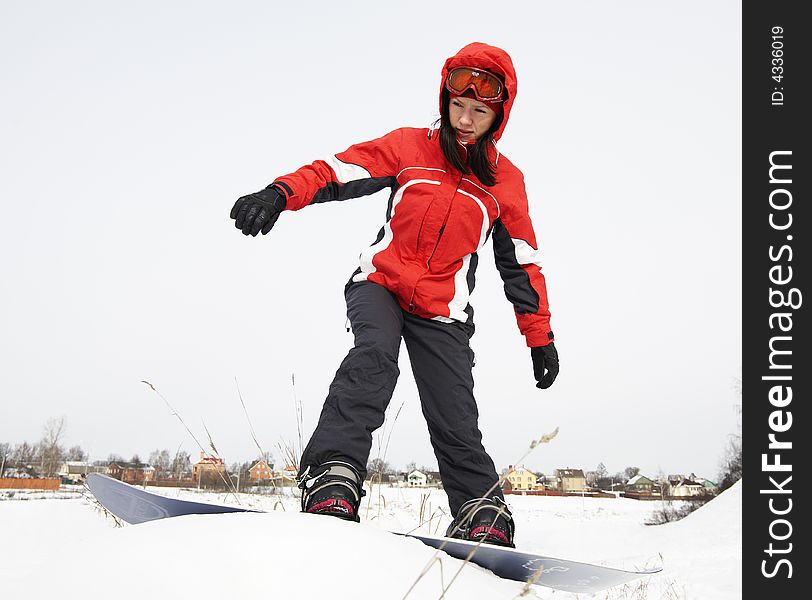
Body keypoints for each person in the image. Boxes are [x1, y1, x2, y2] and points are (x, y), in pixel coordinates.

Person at [230, 42, 558, 548]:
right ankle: (332, 475)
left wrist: (540, 339)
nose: (466, 120)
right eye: (458, 107)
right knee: (373, 360)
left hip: (443, 312)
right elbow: (336, 172)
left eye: (480, 111)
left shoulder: (505, 183)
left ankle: (477, 506)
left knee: (454, 408)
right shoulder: (410, 146)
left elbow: (522, 266)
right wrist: (279, 193)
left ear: (500, 114)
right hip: (380, 285)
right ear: (445, 101)